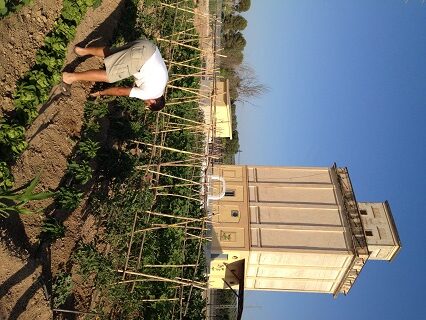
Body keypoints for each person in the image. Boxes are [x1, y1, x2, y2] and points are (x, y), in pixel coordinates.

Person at [62, 38, 168, 111]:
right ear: (153, 101)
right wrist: (101, 93)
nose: (146, 102)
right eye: (147, 104)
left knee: (112, 53)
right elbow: (120, 91)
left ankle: (81, 50)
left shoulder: (162, 83)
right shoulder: (149, 94)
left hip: (148, 46)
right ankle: (69, 77)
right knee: (109, 76)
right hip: (141, 59)